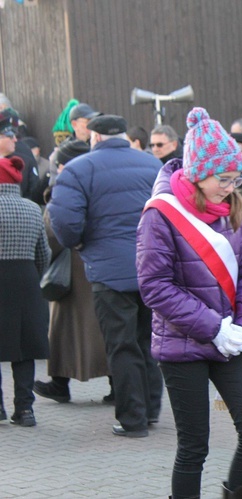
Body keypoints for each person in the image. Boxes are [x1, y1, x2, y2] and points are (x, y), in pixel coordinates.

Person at [137, 107, 242, 499]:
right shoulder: (160, 214)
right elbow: (155, 287)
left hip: (230, 340)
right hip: (182, 343)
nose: (230, 187)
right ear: (198, 173)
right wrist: (213, 327)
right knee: (194, 447)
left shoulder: (232, 209)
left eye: (235, 178)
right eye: (223, 178)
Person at [47, 114, 164, 437]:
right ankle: (152, 409)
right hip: (152, 267)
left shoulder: (78, 169)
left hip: (109, 272)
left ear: (94, 137)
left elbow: (65, 221)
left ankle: (133, 419)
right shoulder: (153, 166)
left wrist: (81, 244)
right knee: (148, 341)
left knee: (121, 345)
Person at [32, 140, 112, 405]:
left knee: (63, 331)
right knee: (107, 329)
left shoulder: (66, 186)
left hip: (72, 272)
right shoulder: (105, 182)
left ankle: (59, 383)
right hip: (103, 266)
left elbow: (54, 232)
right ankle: (117, 384)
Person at [0, 154, 51, 427]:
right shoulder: (32, 208)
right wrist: (33, 276)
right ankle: (25, 409)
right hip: (26, 281)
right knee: (24, 348)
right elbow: (44, 253)